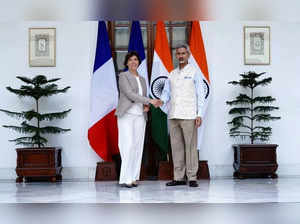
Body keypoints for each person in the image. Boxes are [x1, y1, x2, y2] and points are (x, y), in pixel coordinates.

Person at [159, 44, 205, 187]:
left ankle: (192, 177)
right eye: (178, 53)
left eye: (183, 53)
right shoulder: (172, 74)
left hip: (189, 115)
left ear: (188, 55)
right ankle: (178, 177)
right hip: (173, 116)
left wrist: (200, 114)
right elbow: (166, 93)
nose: (180, 56)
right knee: (176, 148)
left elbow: (201, 94)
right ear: (176, 55)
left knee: (190, 147)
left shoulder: (194, 72)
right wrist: (160, 101)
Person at [115, 51, 160, 188]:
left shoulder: (142, 79)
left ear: (139, 62)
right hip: (126, 115)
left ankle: (134, 177)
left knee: (137, 147)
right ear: (126, 63)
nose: (133, 62)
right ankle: (126, 178)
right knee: (127, 146)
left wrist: (146, 105)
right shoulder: (123, 76)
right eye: (130, 60)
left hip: (140, 116)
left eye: (136, 59)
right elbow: (130, 94)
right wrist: (150, 101)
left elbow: (142, 97)